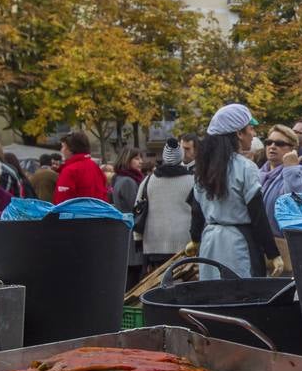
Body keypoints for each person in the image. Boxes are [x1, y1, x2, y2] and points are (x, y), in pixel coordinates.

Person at [186, 103, 283, 280]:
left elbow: (196, 209)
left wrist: (195, 238)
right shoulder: (246, 167)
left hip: (209, 243)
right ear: (239, 133)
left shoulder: (203, 168)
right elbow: (257, 214)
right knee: (241, 296)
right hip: (238, 244)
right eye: (250, 129)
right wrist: (272, 253)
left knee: (211, 297)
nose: (253, 134)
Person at [259, 124, 302, 271]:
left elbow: (301, 205)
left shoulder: (300, 172)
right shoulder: (258, 173)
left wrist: (291, 169)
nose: (272, 146)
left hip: (287, 250)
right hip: (259, 248)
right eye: (269, 142)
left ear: (292, 149)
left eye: (279, 144)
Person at [139, 139, 194, 272]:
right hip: (186, 244)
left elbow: (138, 209)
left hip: (154, 245)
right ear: (180, 155)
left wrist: (139, 242)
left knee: (160, 287)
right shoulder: (194, 180)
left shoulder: (148, 181)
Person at [109, 146, 145, 288]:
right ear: (127, 160)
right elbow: (136, 207)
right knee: (133, 276)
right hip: (131, 234)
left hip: (125, 232)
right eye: (136, 158)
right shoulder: (128, 181)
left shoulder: (121, 178)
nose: (141, 161)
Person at [54, 131, 108, 202]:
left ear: (71, 149)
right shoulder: (95, 167)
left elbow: (62, 201)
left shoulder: (70, 170)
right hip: (98, 211)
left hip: (76, 212)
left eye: (63, 146)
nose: (61, 150)